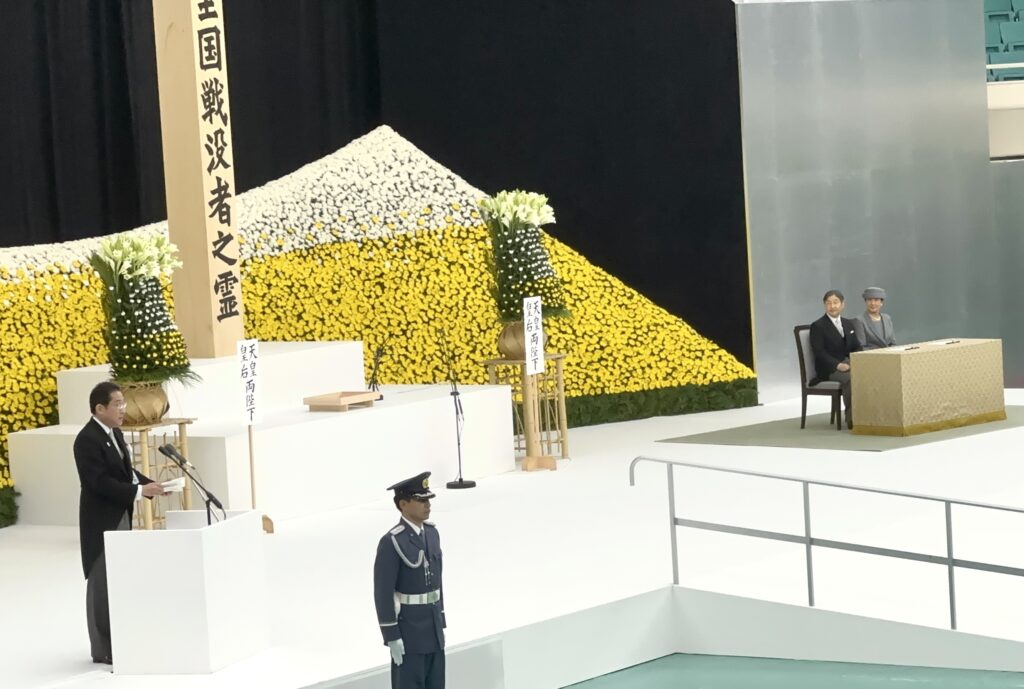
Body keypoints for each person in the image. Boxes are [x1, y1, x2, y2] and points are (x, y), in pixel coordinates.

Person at [75, 381, 166, 665]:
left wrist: (150, 484)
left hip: (120, 513)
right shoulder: (86, 439)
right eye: (117, 404)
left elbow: (125, 470)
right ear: (99, 408)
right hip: (101, 519)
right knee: (101, 581)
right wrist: (139, 492)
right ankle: (102, 649)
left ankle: (121, 638)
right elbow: (98, 482)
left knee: (119, 578)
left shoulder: (114, 432)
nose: (123, 408)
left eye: (123, 403)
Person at [373, 472, 445, 689]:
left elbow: (438, 581)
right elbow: (383, 592)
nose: (427, 505)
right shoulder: (392, 542)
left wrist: (440, 619)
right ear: (403, 504)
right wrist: (391, 635)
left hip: (432, 630)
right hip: (410, 634)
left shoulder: (432, 534)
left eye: (428, 499)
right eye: (421, 500)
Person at [809, 290, 862, 429]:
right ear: (824, 306)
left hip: (848, 363)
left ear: (843, 304)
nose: (832, 306)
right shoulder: (818, 326)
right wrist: (838, 365)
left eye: (835, 302)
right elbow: (819, 352)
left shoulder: (848, 324)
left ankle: (869, 415)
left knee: (867, 373)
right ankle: (852, 419)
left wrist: (858, 360)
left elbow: (856, 346)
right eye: (828, 303)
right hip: (829, 368)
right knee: (850, 378)